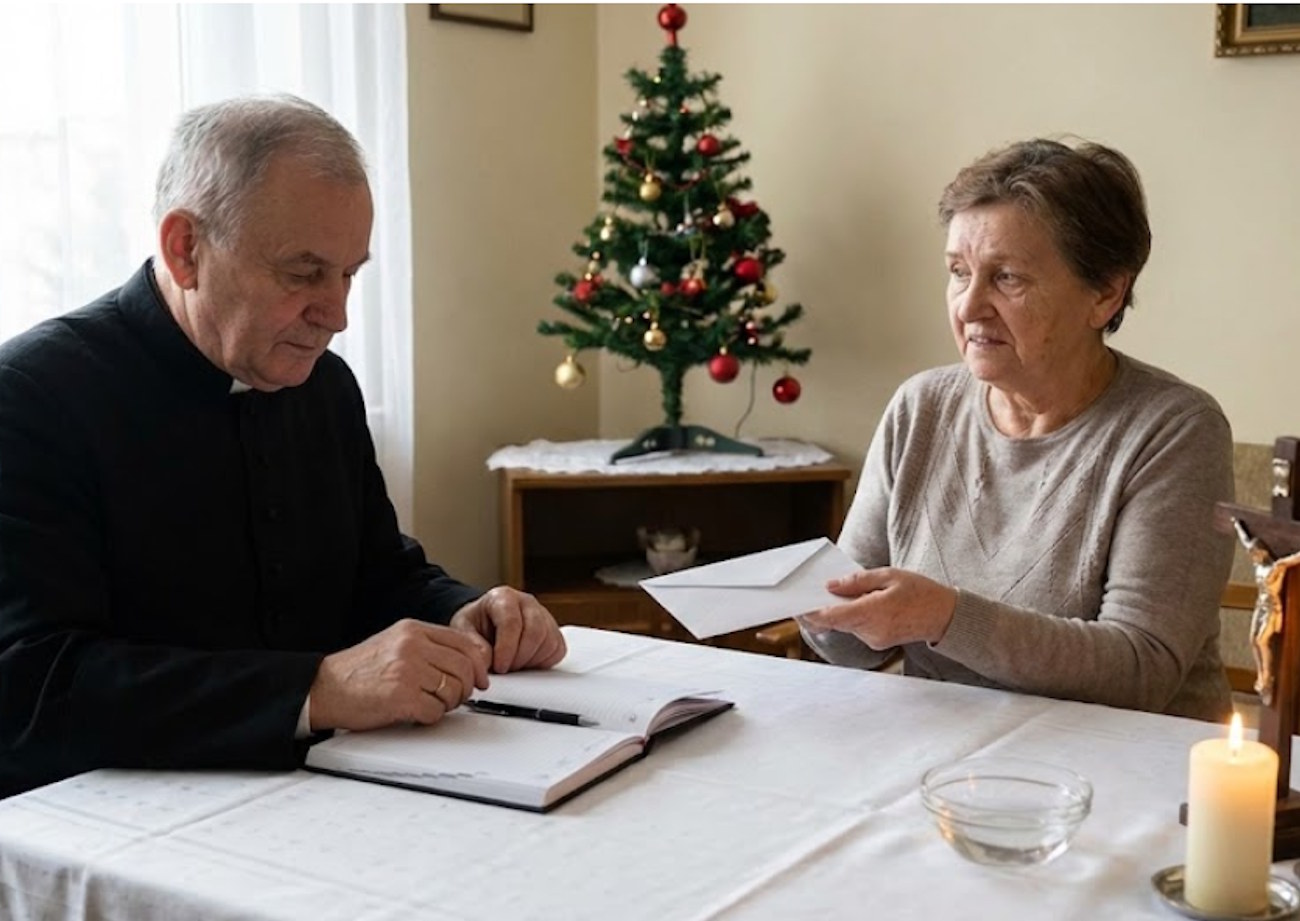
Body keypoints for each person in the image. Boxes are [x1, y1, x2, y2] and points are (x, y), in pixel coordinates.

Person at [0, 94, 565, 799]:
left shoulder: (324, 385)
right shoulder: (30, 395)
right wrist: (320, 687)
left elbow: (375, 573)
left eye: (349, 273)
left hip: (319, 790)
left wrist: (465, 610)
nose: (338, 315)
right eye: (304, 273)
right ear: (187, 250)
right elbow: (33, 685)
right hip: (116, 819)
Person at [799, 138, 1235, 722]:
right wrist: (812, 603)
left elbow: (1141, 672)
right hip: (945, 758)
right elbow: (849, 649)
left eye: (1007, 278)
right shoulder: (920, 407)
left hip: (1129, 775)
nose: (969, 306)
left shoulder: (1176, 430)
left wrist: (944, 617)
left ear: (1106, 292)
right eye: (958, 272)